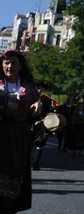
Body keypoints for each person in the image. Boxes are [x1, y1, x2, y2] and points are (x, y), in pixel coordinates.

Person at [0, 50, 40, 213]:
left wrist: (38, 106)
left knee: (15, 172)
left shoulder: (28, 87)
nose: (10, 66)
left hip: (19, 135)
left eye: (13, 63)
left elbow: (38, 104)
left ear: (20, 65)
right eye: (6, 62)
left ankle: (10, 206)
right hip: (0, 132)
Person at [31, 81, 54, 170]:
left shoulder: (47, 99)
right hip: (30, 123)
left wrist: (43, 120)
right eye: (37, 88)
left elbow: (48, 113)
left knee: (41, 143)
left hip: (42, 124)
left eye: (40, 88)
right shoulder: (29, 97)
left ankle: (36, 163)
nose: (39, 90)